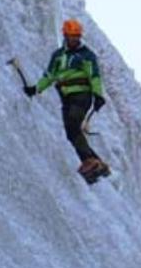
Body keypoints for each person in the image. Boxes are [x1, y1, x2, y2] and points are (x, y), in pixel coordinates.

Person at [25, 19, 110, 182]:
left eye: (76, 36)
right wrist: (36, 89)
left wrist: (98, 95)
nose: (74, 39)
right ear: (65, 35)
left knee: (73, 124)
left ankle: (89, 161)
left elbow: (94, 76)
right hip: (66, 98)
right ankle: (97, 165)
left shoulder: (86, 55)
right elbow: (49, 76)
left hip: (82, 95)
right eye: (71, 36)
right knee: (71, 133)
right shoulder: (57, 56)